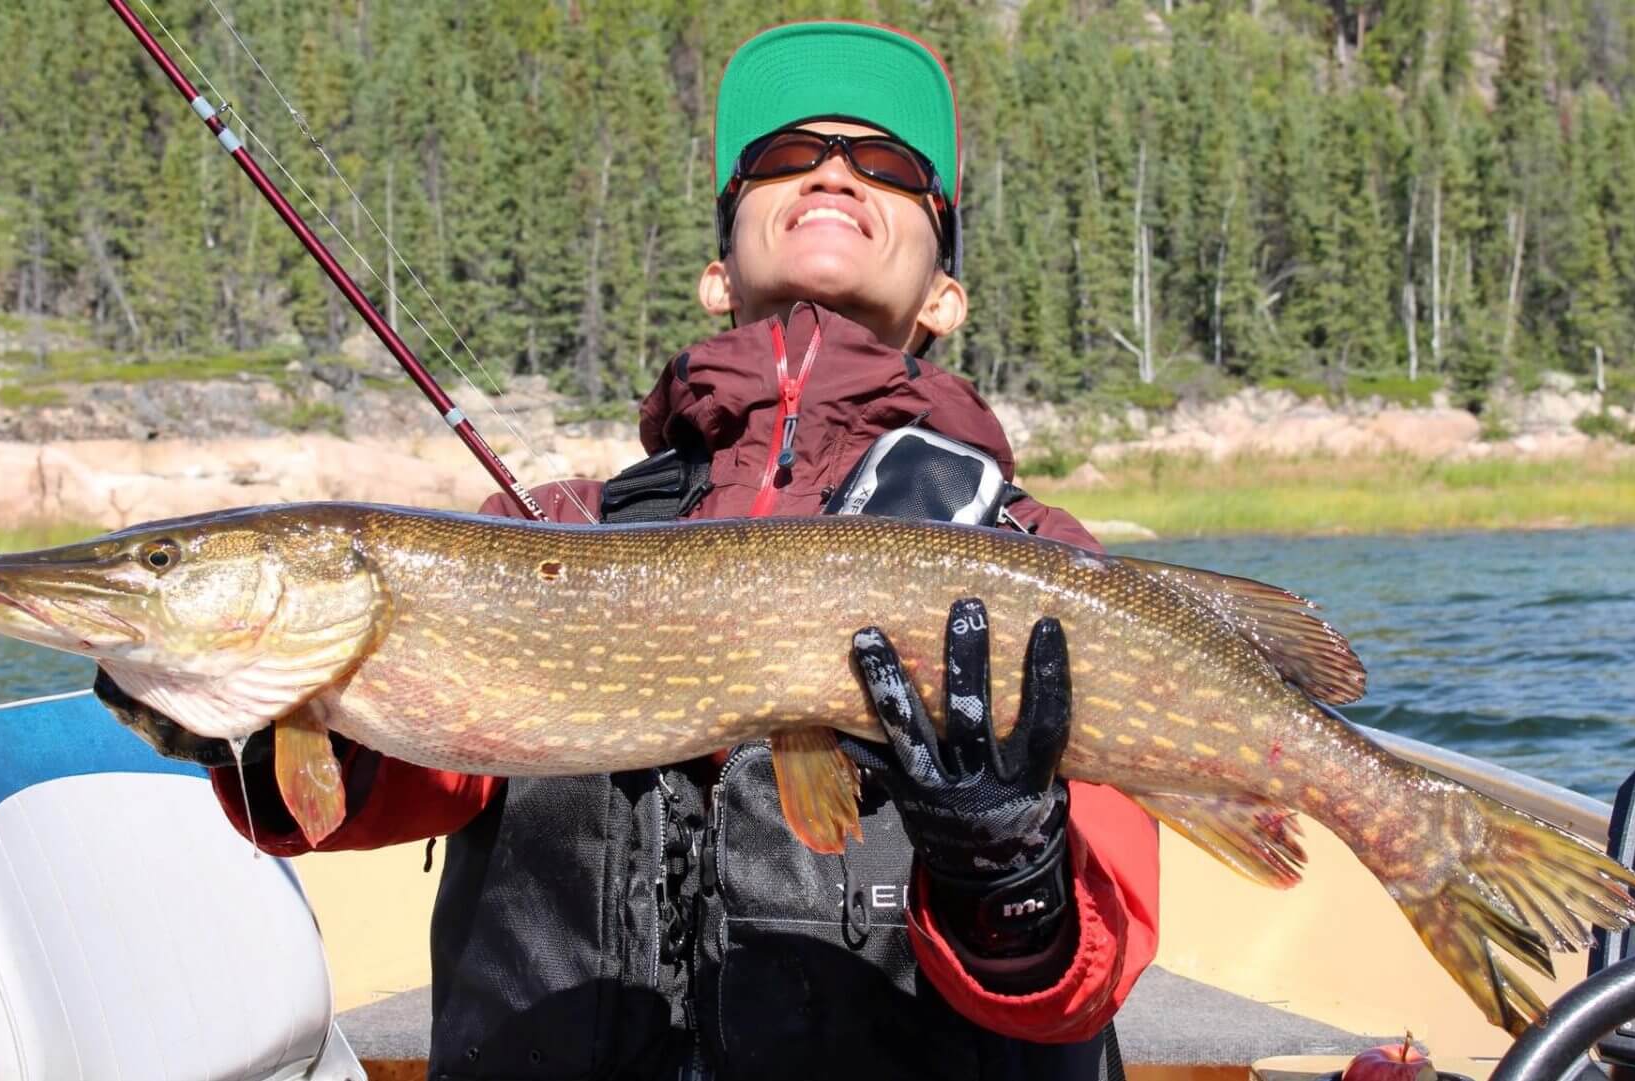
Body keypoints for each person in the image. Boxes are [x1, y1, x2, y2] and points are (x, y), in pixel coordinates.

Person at [106, 20, 1159, 1081]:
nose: (834, 171)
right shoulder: (545, 535)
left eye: (885, 166)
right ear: (715, 274)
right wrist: (254, 721)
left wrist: (1007, 871)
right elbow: (376, 788)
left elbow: (1093, 960)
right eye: (786, 158)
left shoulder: (1028, 557)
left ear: (947, 296)